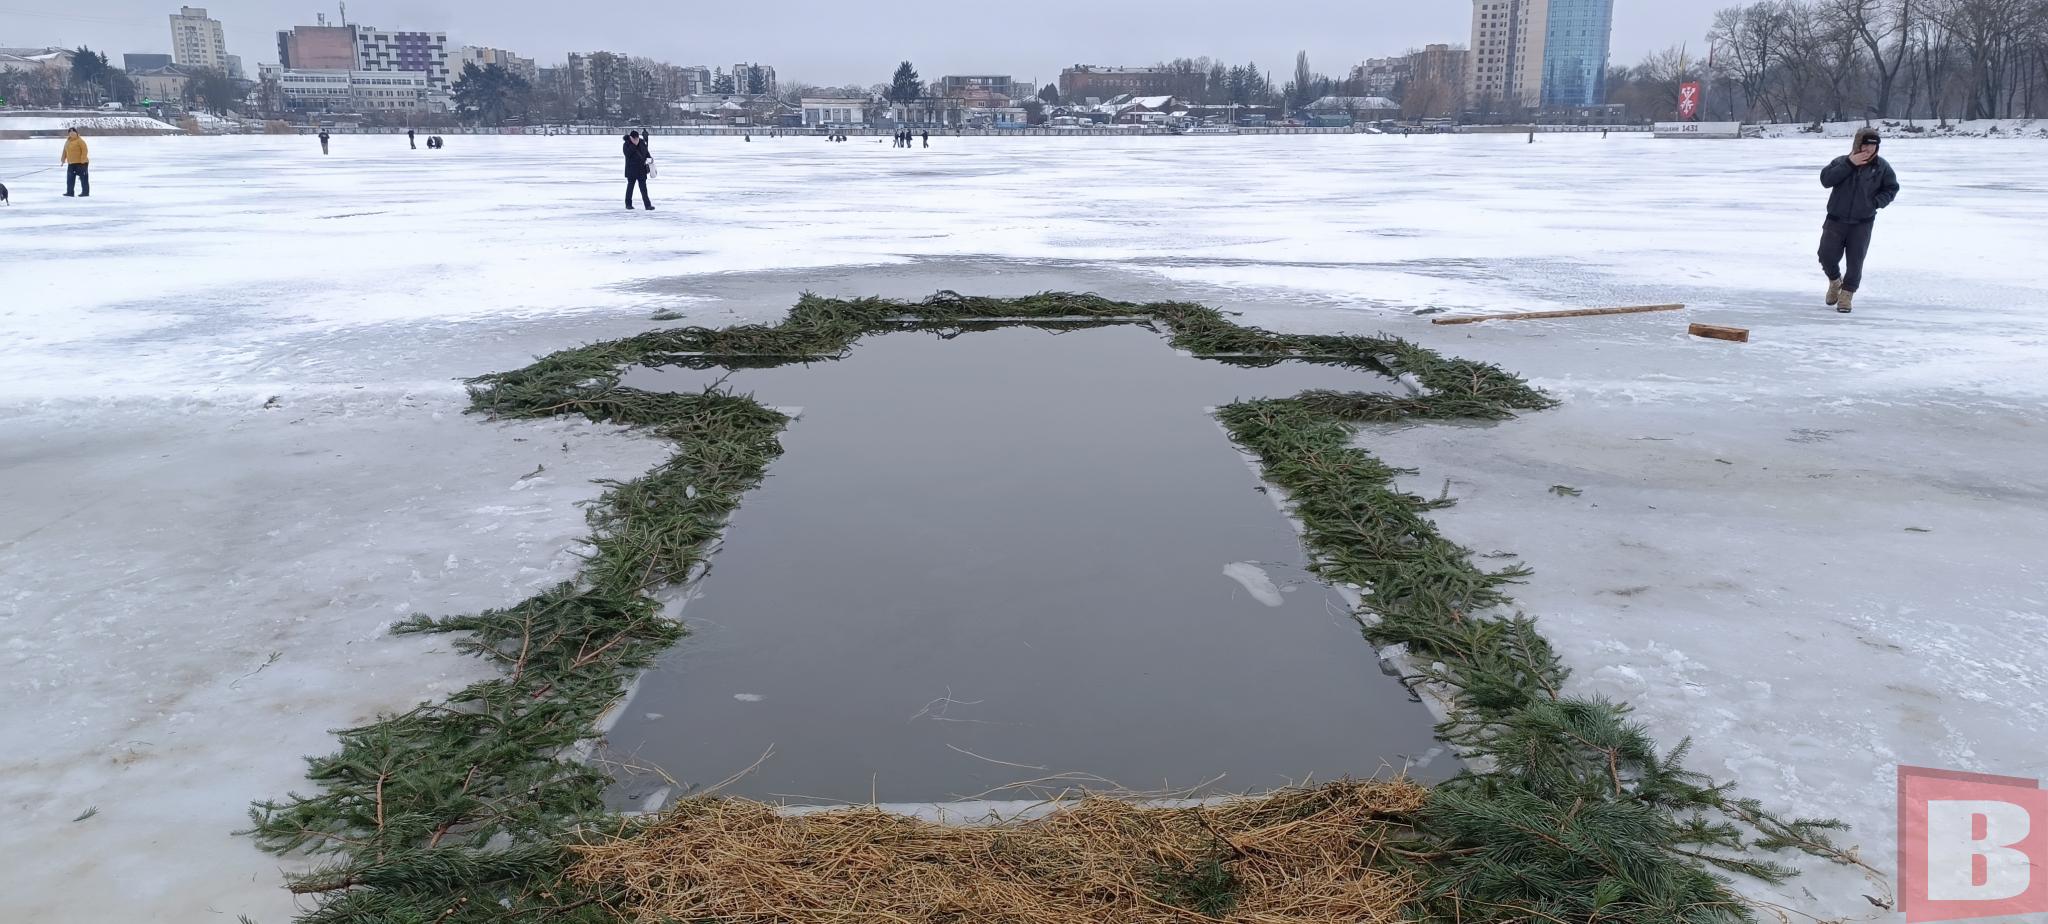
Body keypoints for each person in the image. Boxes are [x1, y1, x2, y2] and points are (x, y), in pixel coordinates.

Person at [1817, 126, 1900, 314]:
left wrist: (1876, 203)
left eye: (1874, 145)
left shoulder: (1882, 167)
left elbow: (1892, 188)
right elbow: (1826, 180)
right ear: (1857, 144)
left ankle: (1846, 295)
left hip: (1863, 222)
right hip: (1836, 220)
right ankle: (1835, 281)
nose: (1869, 149)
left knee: (1855, 262)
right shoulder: (1841, 161)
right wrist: (1849, 164)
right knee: (1826, 255)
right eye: (1866, 144)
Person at [622, 130, 654, 210]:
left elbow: (646, 152)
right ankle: (628, 204)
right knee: (630, 188)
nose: (636, 140)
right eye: (634, 139)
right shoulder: (626, 144)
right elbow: (627, 154)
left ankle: (648, 205)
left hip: (641, 169)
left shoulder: (642, 142)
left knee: (644, 189)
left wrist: (650, 159)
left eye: (637, 138)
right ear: (630, 137)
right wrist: (634, 145)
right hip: (631, 170)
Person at [61, 128, 90, 197]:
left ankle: (85, 193)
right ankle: (70, 192)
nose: (72, 133)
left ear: (76, 133)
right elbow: (64, 151)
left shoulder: (80, 141)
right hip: (71, 163)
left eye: (73, 132)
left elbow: (85, 150)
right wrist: (63, 160)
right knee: (70, 179)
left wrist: (83, 160)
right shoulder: (67, 141)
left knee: (83, 179)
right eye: (70, 132)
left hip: (81, 163)